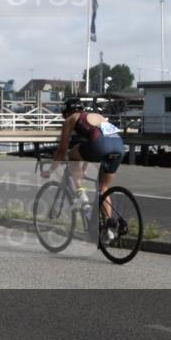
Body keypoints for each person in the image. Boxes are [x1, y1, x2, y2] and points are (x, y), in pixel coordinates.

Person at [45, 98, 125, 238]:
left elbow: (61, 150)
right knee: (103, 188)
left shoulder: (71, 118)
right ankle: (108, 226)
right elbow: (94, 139)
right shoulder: (94, 116)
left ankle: (80, 191)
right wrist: (84, 166)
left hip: (100, 145)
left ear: (66, 112)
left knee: (72, 155)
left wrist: (51, 170)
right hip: (119, 145)